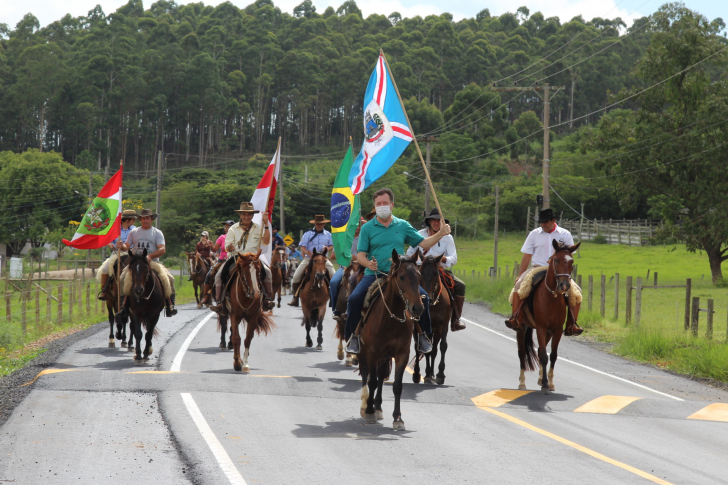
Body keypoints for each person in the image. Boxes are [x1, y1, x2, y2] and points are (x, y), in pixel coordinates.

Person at [344, 188, 452, 355]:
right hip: (374, 274)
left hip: (400, 276)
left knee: (423, 297)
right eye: (378, 204)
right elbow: (360, 255)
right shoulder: (367, 228)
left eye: (385, 203)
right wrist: (368, 264)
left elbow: (423, 244)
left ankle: (424, 336)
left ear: (392, 205)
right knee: (354, 299)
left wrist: (441, 234)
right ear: (374, 206)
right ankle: (353, 337)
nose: (382, 206)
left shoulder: (403, 225)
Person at [505, 208, 583, 336]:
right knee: (519, 286)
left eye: (545, 222)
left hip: (558, 271)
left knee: (576, 292)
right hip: (537, 267)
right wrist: (520, 275)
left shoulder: (565, 234)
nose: (542, 225)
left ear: (553, 220)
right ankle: (515, 318)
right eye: (540, 222)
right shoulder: (534, 234)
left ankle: (571, 324)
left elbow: (569, 257)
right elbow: (527, 255)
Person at [209, 202, 275, 315]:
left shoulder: (259, 228)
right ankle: (220, 302)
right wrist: (230, 247)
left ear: (253, 215)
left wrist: (266, 225)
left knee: (268, 272)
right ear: (240, 215)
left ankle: (267, 299)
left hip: (253, 259)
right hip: (236, 257)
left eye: (249, 214)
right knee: (219, 275)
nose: (247, 217)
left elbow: (266, 241)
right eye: (244, 214)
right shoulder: (233, 229)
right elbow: (227, 246)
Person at [405, 208, 466, 331]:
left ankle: (456, 319)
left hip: (439, 270)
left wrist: (443, 259)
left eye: (439, 220)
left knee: (460, 285)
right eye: (433, 220)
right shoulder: (419, 234)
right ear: (429, 222)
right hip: (420, 269)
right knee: (405, 285)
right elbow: (409, 253)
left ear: (442, 223)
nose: (436, 223)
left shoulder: (447, 237)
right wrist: (419, 260)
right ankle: (404, 316)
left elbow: (453, 258)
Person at [115, 209, 178, 318]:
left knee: (169, 278)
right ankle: (123, 305)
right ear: (140, 219)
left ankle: (170, 304)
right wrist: (122, 246)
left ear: (151, 219)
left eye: (147, 218)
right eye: (143, 218)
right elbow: (127, 246)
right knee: (121, 278)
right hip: (135, 263)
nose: (145, 220)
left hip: (152, 262)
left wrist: (150, 256)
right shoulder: (134, 232)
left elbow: (162, 249)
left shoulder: (157, 233)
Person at [287, 215, 336, 307]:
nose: (319, 225)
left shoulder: (328, 234)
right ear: (315, 223)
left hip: (323, 260)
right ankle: (295, 298)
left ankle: (333, 298)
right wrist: (307, 253)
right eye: (317, 223)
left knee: (334, 276)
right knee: (296, 277)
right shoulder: (307, 234)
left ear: (324, 224)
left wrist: (327, 248)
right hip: (309, 259)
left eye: (321, 224)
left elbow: (332, 245)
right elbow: (302, 247)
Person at [330, 215, 367, 323]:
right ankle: (336, 308)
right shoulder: (344, 237)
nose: (358, 227)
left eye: (360, 225)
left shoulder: (366, 236)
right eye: (356, 225)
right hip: (346, 266)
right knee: (333, 282)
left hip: (362, 267)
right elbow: (333, 256)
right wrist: (349, 256)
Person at [98, 209, 138, 300]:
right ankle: (104, 290)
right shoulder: (115, 229)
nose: (135, 221)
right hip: (117, 252)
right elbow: (108, 240)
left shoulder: (134, 229)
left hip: (131, 252)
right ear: (128, 220)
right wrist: (111, 245)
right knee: (105, 268)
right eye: (133, 219)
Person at [200, 220, 234, 306]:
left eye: (228, 226)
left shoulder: (237, 237)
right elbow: (215, 249)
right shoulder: (221, 237)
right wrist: (211, 245)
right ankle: (206, 295)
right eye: (225, 227)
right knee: (209, 274)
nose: (226, 228)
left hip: (233, 259)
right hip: (222, 260)